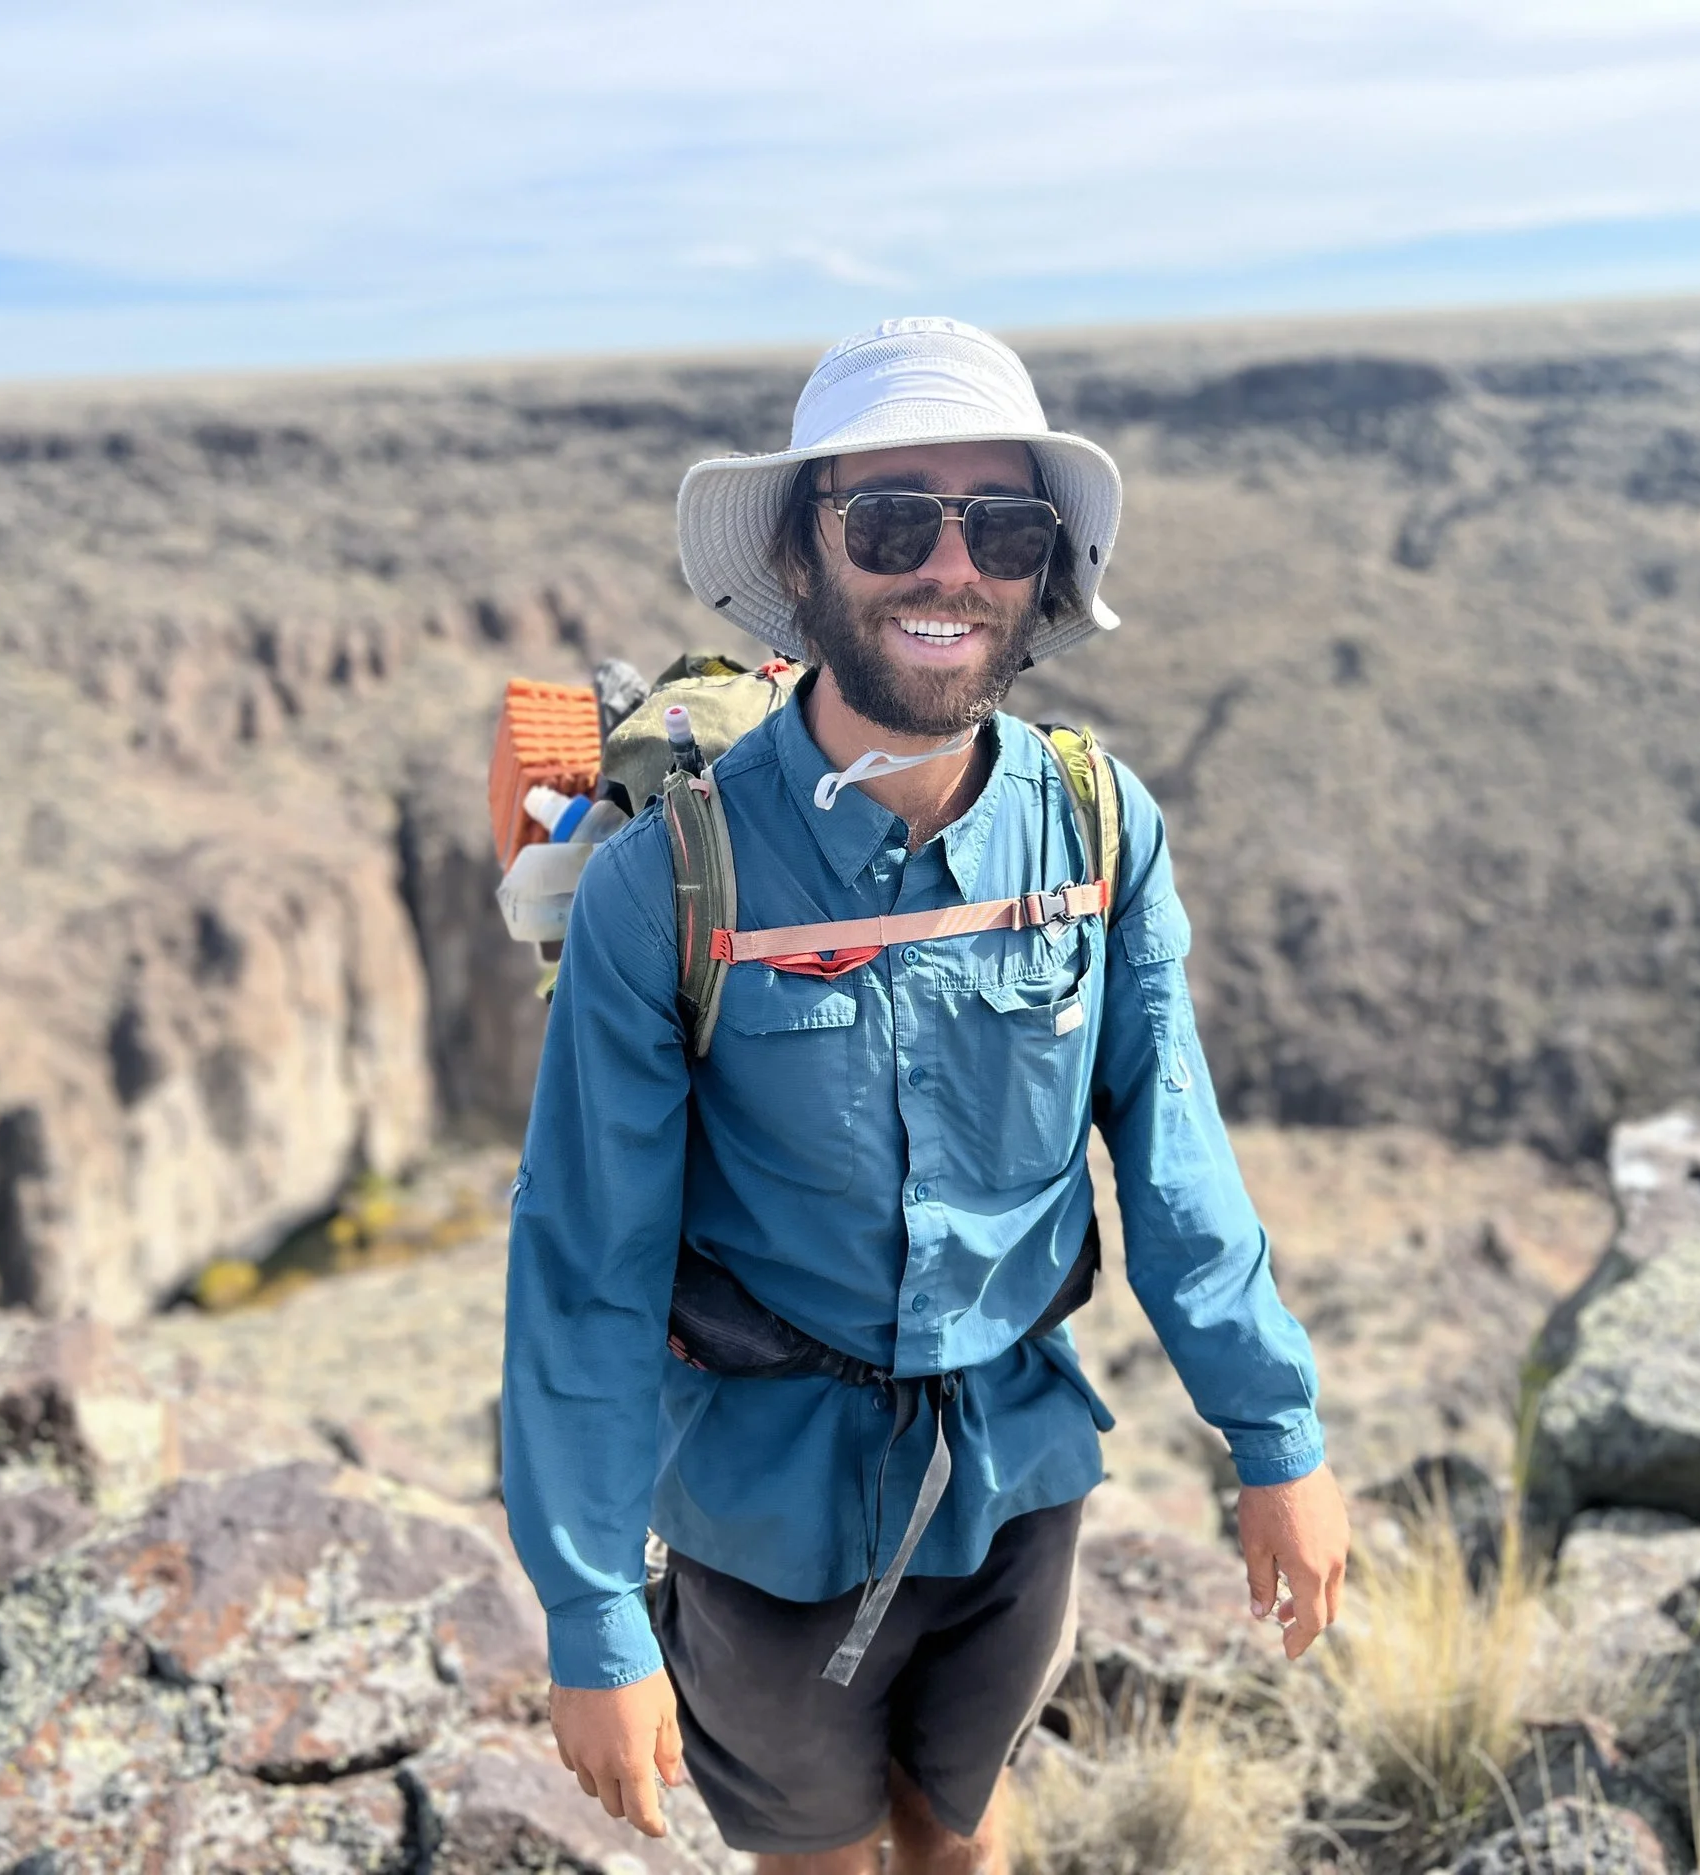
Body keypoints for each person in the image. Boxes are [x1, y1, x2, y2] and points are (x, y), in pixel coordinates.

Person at [501, 316, 1348, 1874]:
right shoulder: (664, 888)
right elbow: (584, 1263)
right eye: (892, 517)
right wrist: (591, 1610)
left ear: (1042, 570)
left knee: (960, 1835)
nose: (946, 567)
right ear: (808, 556)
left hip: (1017, 1473)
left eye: (1001, 525)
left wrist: (1275, 1436)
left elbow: (1172, 1155)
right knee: (821, 1859)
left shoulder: (1095, 825)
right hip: (765, 1507)